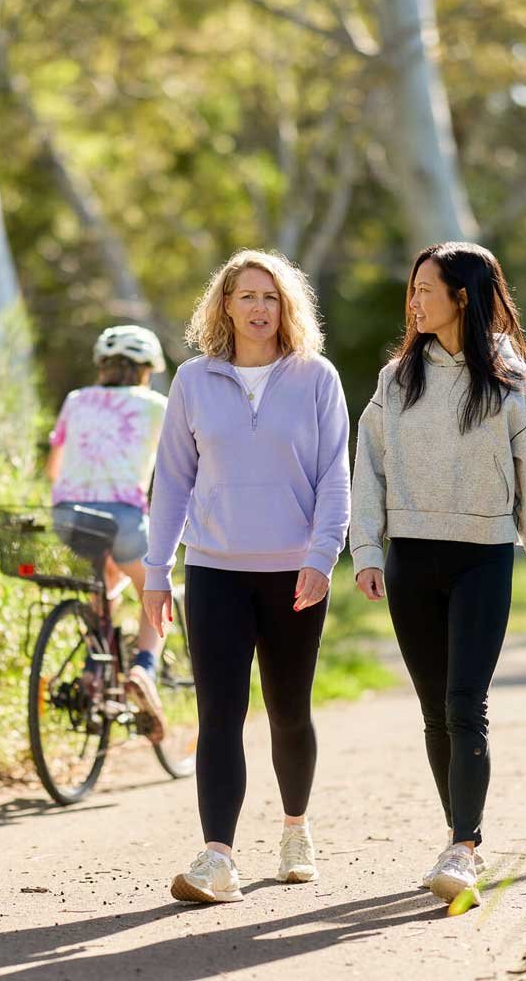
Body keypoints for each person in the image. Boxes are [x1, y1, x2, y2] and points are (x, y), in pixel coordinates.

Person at [349, 241, 526, 908]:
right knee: (433, 711)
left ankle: (465, 847)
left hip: (482, 554)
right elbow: (370, 465)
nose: (412, 303)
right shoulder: (396, 380)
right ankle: (455, 836)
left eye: (425, 291)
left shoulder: (512, 383)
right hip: (410, 556)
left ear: (462, 297)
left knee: (464, 704)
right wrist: (365, 550)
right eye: (411, 291)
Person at [141, 249, 350, 903]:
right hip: (215, 570)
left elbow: (334, 478)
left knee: (288, 712)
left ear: (287, 307)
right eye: (247, 296)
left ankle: (295, 830)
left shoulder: (315, 378)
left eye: (271, 296)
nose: (260, 308)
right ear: (224, 305)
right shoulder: (193, 382)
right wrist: (156, 570)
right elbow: (172, 482)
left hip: (293, 574)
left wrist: (322, 557)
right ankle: (218, 858)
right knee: (220, 713)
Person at [47, 324, 171, 742]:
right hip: (122, 517)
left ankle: (90, 674)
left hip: (69, 517)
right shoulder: (157, 406)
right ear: (146, 371)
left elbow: (54, 466)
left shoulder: (76, 400)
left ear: (102, 367)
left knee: (102, 587)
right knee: (155, 589)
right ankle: (143, 670)